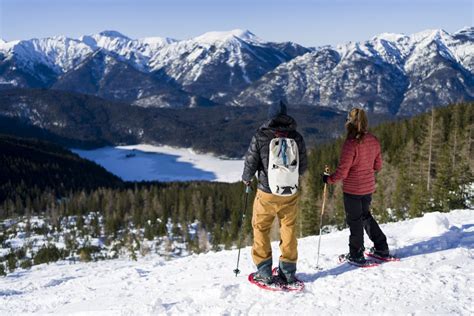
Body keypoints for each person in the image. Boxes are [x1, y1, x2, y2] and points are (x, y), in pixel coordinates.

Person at [242, 101, 307, 286]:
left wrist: (246, 179)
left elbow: (250, 163)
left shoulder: (261, 136)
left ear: (270, 116)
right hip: (290, 193)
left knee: (261, 228)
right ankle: (287, 272)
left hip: (266, 192)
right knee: (289, 229)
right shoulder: (297, 137)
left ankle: (264, 271)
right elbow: (303, 168)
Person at [323, 108, 389, 264]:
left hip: (353, 189)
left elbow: (342, 172)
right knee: (365, 216)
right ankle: (381, 247)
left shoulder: (351, 144)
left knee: (355, 221)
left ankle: (356, 254)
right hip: (367, 187)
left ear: (349, 123)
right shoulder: (373, 140)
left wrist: (328, 179)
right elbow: (378, 166)